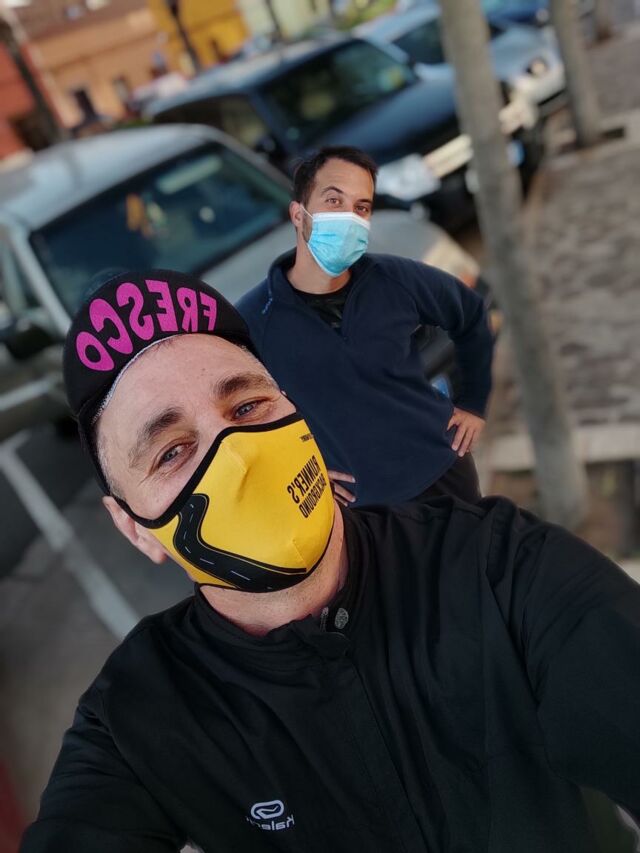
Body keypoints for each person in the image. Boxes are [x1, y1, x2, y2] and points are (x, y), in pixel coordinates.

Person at [22, 269, 640, 853]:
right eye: (172, 451)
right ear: (135, 528)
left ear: (298, 413)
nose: (237, 455)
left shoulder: (497, 565)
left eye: (247, 407)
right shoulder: (137, 721)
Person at [236, 146, 494, 508]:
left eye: (361, 208)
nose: (348, 218)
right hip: (362, 508)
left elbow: (471, 313)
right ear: (298, 213)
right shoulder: (253, 320)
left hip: (444, 473)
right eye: (334, 201)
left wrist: (473, 403)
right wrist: (296, 471)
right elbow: (233, 419)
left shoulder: (394, 277)